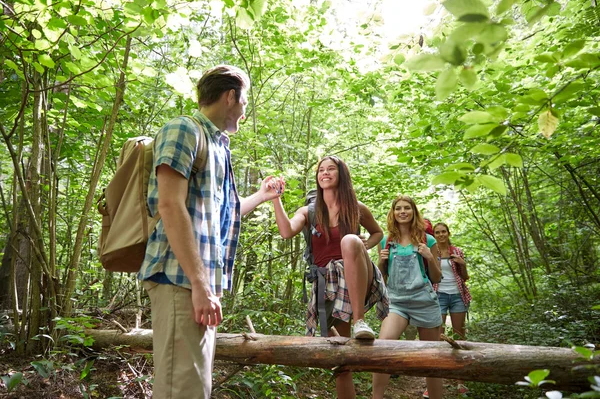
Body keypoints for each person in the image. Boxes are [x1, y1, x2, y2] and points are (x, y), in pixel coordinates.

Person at [138, 64, 284, 399]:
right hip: (179, 279)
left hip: (197, 285)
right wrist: (200, 285)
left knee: (194, 386)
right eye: (244, 101)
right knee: (182, 389)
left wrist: (262, 196)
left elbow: (222, 214)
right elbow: (170, 206)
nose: (244, 111)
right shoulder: (183, 130)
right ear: (231, 96)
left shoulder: (218, 146)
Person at [270, 155, 388, 399]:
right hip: (327, 285)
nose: (324, 173)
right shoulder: (309, 212)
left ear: (341, 174)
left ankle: (360, 321)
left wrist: (362, 246)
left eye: (331, 169)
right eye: (321, 170)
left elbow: (377, 233)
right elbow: (285, 231)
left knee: (350, 240)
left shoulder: (356, 208)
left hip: (355, 279)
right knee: (339, 357)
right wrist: (276, 200)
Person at [372, 195, 443, 399]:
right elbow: (382, 279)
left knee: (432, 358)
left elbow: (437, 277)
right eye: (398, 209)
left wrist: (430, 257)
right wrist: (381, 263)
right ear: (393, 214)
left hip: (424, 301)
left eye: (407, 208)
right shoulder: (386, 242)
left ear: (414, 212)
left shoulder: (428, 240)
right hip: (396, 302)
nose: (402, 211)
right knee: (382, 347)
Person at [433, 222, 472, 395]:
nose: (441, 235)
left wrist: (462, 263)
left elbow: (465, 278)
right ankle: (434, 384)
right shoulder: (431, 251)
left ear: (448, 233)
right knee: (438, 338)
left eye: (443, 232)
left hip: (457, 297)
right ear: (433, 235)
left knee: (459, 336)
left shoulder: (457, 251)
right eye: (437, 232)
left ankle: (460, 381)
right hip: (438, 296)